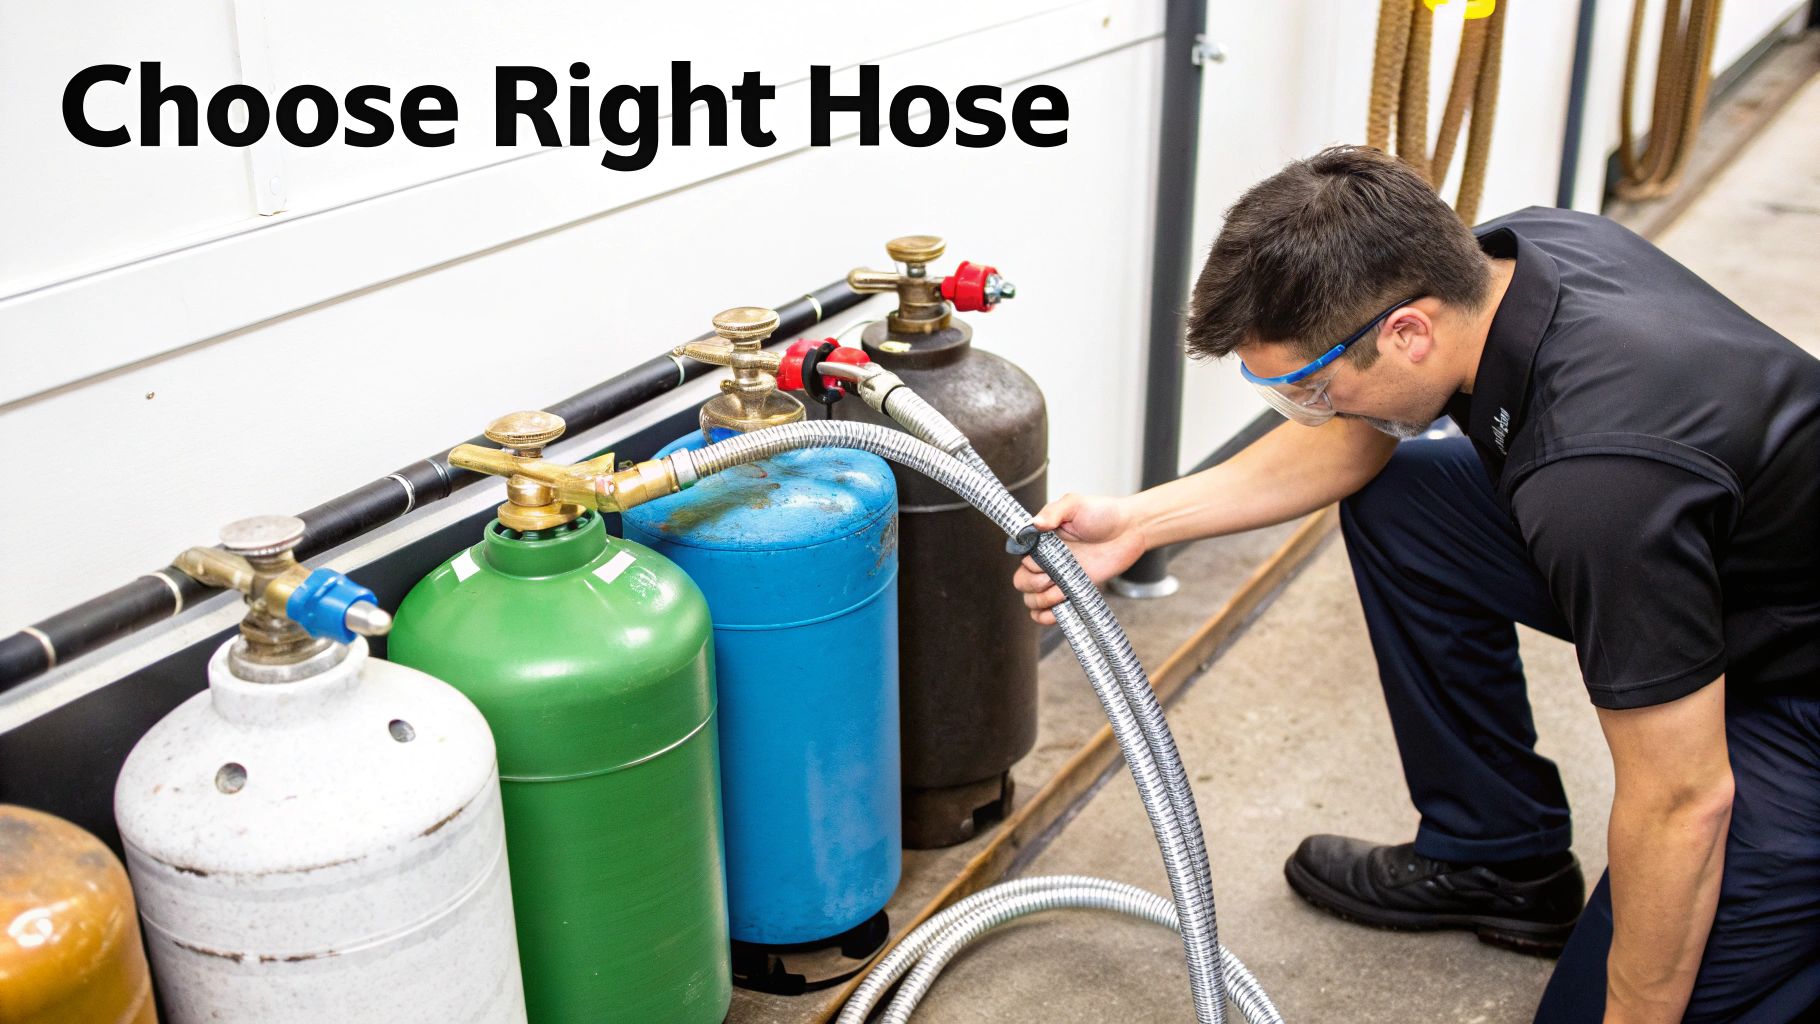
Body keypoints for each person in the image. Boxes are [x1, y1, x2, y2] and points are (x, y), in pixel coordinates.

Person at [1012, 146, 1820, 1023]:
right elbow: (1363, 435)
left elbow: (1682, 797)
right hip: (1723, 571)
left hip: (1797, 690)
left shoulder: (1597, 482)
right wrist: (1141, 522)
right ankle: (1501, 856)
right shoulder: (1518, 259)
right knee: (1403, 502)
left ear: (1408, 332)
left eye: (1315, 389)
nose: (1316, 414)